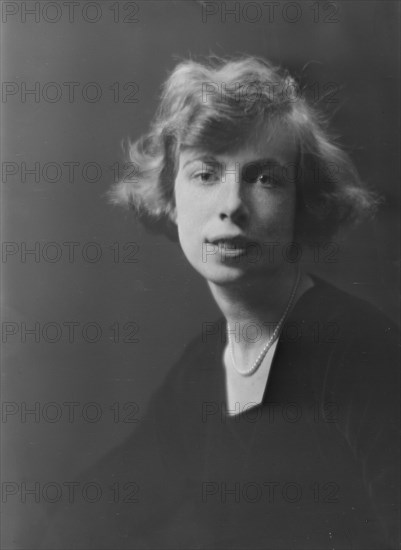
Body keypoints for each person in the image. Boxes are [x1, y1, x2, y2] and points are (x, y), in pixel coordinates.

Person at [39, 56, 399, 549]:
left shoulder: (360, 351)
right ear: (169, 195)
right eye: (206, 173)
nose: (232, 204)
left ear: (303, 202)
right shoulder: (201, 372)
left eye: (264, 178)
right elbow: (89, 517)